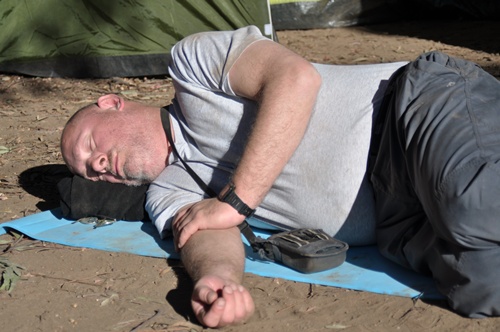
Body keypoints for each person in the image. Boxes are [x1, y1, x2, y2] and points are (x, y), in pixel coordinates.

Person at [60, 26, 500, 327]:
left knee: (475, 206)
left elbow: (295, 78)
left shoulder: (191, 67)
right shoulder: (170, 189)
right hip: (399, 221)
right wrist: (219, 278)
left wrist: (234, 201)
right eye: (88, 173)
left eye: (89, 147)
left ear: (111, 102)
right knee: (477, 284)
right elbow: (203, 234)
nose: (97, 167)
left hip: (412, 112)